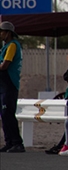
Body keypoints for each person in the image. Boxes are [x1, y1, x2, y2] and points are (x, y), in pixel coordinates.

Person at [0, 21, 24, 153]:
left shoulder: (13, 46)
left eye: (2, 32)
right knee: (4, 114)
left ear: (8, 33)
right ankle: (9, 142)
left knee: (8, 113)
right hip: (3, 85)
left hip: (9, 84)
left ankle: (17, 142)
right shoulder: (5, 47)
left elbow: (5, 65)